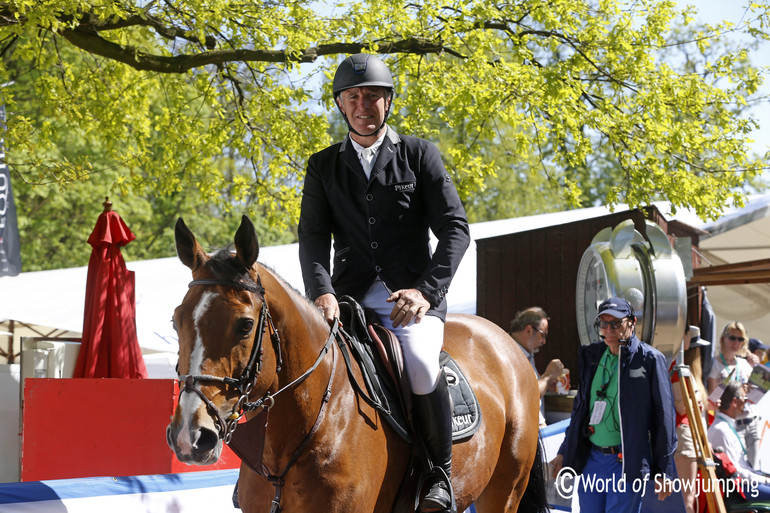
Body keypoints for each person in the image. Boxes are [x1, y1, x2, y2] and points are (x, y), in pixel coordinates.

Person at [298, 53, 470, 513]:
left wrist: (425, 292)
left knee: (418, 361)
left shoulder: (419, 154)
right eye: (352, 96)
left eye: (372, 95)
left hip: (410, 300)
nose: (362, 104)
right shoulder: (322, 167)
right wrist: (322, 293)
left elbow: (455, 228)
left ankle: (439, 474)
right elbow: (313, 240)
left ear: (387, 101)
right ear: (340, 105)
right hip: (346, 299)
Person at [550, 297, 676, 512]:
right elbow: (581, 410)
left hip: (626, 463)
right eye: (604, 324)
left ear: (632, 322)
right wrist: (564, 451)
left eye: (616, 323)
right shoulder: (592, 356)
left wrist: (664, 471)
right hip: (592, 460)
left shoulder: (650, 359)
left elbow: (664, 418)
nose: (609, 329)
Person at [707, 321, 761, 468]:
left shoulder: (744, 364)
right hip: (731, 423)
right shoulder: (715, 364)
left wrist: (750, 386)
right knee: (737, 468)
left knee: (753, 468)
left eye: (740, 339)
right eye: (732, 338)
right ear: (724, 338)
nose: (736, 342)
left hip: (751, 420)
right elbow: (713, 398)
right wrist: (733, 388)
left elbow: (756, 392)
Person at [670, 325, 710, 513]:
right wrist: (696, 404)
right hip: (684, 434)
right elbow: (681, 405)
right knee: (688, 499)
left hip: (685, 433)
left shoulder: (677, 365)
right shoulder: (676, 367)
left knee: (687, 497)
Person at [707, 381, 770, 500]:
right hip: (738, 488)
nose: (746, 403)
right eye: (744, 399)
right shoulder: (721, 430)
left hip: (745, 483)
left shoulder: (725, 426)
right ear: (734, 402)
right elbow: (735, 472)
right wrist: (764, 480)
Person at [509, 307, 568, 428]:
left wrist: (547, 384)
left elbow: (532, 387)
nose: (544, 341)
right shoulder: (510, 354)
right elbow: (529, 394)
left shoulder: (527, 353)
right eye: (543, 335)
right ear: (529, 330)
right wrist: (548, 375)